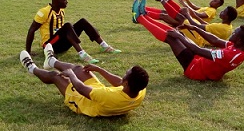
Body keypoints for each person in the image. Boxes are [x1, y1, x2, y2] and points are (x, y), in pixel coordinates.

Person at [131, 0, 244, 81]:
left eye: (235, 33)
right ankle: (143, 15)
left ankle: (140, 17)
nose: (233, 33)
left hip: (195, 70)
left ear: (240, 40)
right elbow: (215, 40)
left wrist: (181, 34)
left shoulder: (229, 54)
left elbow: (198, 50)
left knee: (172, 37)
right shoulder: (239, 49)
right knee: (175, 32)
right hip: (199, 61)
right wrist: (193, 27)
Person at [19, 44, 148, 117]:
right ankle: (51, 60)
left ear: (127, 83)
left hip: (82, 101)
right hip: (99, 91)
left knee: (56, 76)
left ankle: (31, 68)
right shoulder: (140, 91)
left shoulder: (108, 96)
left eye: (126, 74)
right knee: (80, 69)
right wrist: (99, 69)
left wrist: (70, 75)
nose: (123, 75)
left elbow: (80, 89)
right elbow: (120, 82)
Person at [25, 0, 121, 64]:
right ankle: (82, 54)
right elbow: (31, 30)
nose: (67, 1)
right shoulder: (44, 12)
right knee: (67, 26)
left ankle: (105, 46)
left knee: (83, 21)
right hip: (50, 46)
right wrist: (28, 51)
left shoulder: (61, 10)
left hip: (61, 43)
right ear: (57, 1)